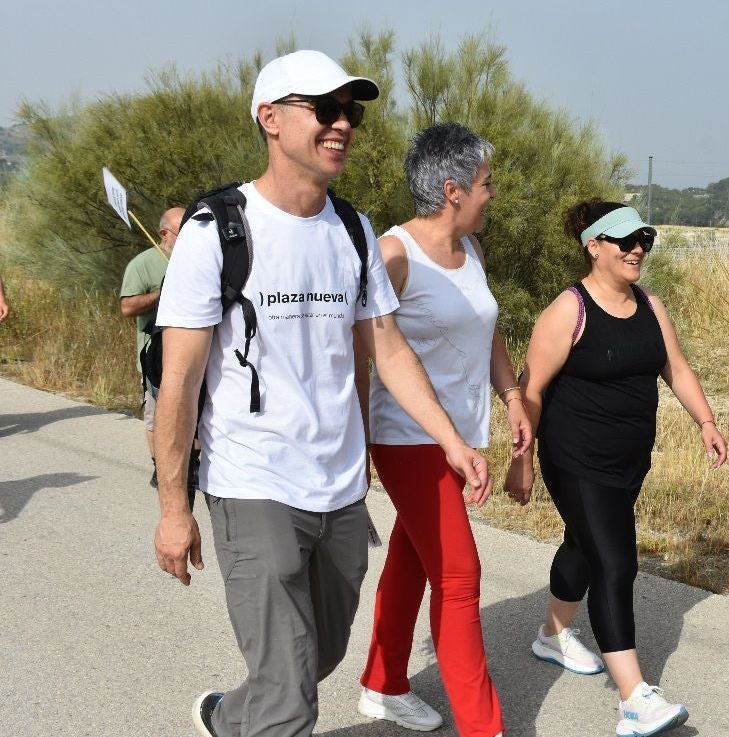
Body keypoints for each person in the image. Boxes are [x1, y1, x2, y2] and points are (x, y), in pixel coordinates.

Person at [151, 49, 489, 737]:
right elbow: (179, 382)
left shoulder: (354, 232)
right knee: (290, 702)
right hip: (251, 479)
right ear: (270, 119)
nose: (343, 125)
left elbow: (388, 350)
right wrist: (172, 508)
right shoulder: (218, 231)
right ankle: (264, 713)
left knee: (318, 655)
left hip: (336, 484)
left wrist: (451, 439)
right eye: (325, 109)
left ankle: (229, 715)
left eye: (351, 112)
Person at [506, 200, 728, 737]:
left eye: (644, 240)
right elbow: (529, 390)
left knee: (584, 545)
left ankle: (551, 633)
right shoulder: (569, 309)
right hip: (575, 458)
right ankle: (634, 699)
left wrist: (705, 420)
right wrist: (522, 461)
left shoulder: (650, 304)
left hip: (629, 459)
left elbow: (675, 365)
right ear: (594, 246)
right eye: (625, 240)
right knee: (615, 561)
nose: (637, 250)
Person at [356, 122, 529, 737]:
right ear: (453, 189)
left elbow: (487, 331)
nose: (493, 193)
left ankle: (383, 683)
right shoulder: (395, 254)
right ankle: (485, 729)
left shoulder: (470, 251)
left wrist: (511, 396)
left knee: (411, 557)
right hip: (407, 437)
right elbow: (365, 346)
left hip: (460, 435)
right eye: (486, 183)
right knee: (459, 580)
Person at [119, 206, 186, 491]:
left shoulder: (198, 259)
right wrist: (162, 293)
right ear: (164, 234)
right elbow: (127, 307)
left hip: (194, 353)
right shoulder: (142, 264)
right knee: (158, 416)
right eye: (184, 230)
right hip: (155, 356)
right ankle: (161, 467)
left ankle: (191, 464)